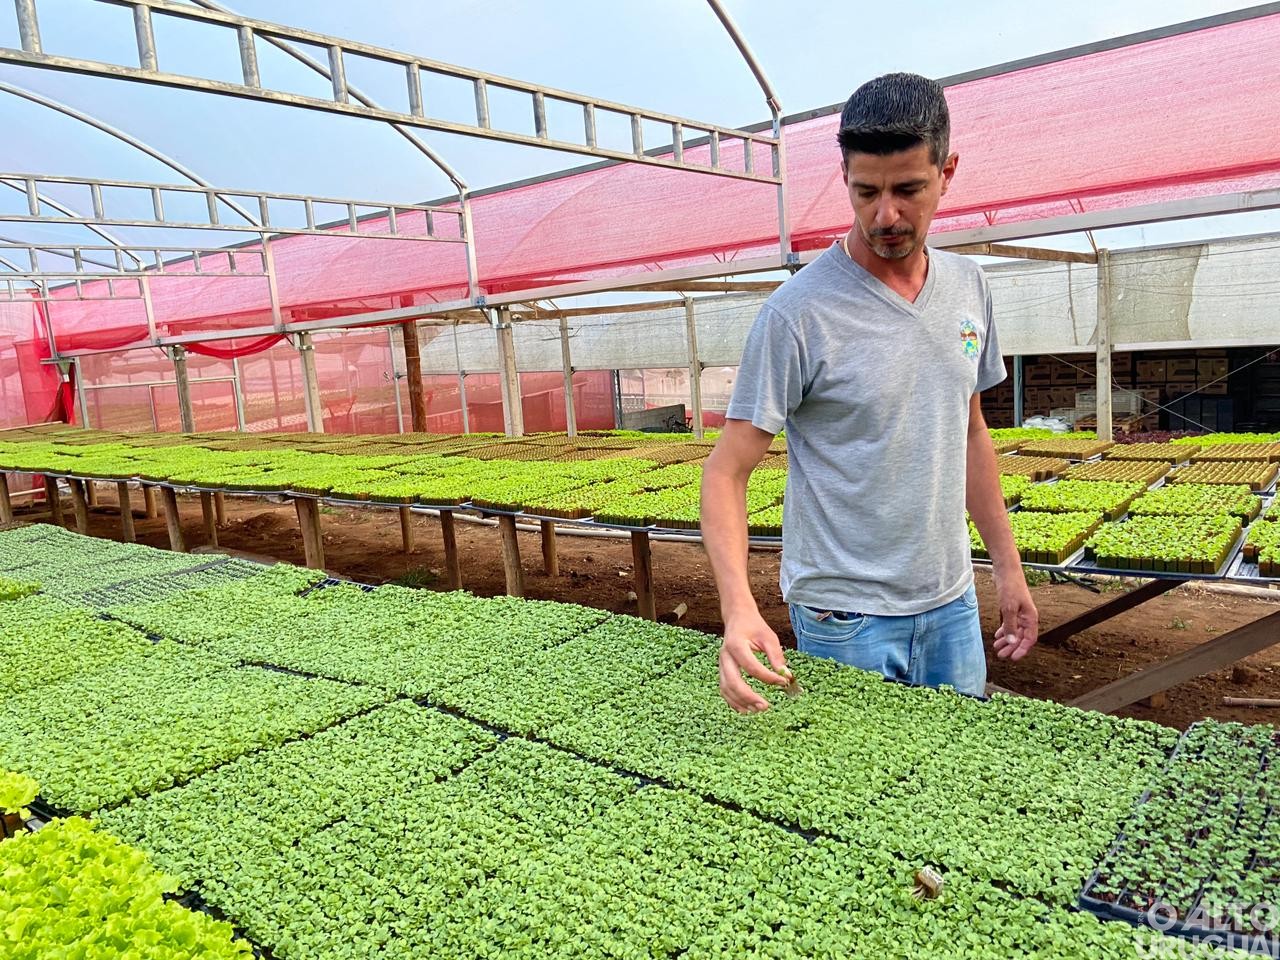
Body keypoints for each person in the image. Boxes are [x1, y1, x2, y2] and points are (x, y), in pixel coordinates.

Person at [701, 72, 1038, 713]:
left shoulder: (970, 288)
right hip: (843, 616)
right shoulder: (797, 313)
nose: (886, 214)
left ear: (947, 172)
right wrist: (738, 607)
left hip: (951, 602)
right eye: (866, 192)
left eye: (908, 189)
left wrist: (1009, 569)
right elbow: (726, 470)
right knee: (859, 802)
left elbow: (969, 433)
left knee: (954, 779)